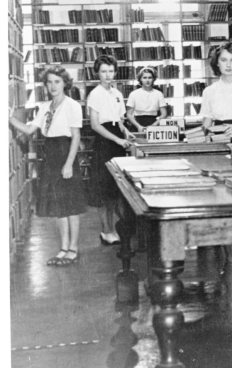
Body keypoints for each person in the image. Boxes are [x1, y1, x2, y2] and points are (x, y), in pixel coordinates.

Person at [9, 67, 87, 265]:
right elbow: (28, 130)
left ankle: (73, 249)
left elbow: (76, 137)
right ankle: (63, 248)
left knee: (71, 206)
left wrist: (69, 164)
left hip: (65, 153)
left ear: (65, 84)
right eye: (49, 82)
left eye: (57, 82)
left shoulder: (72, 106)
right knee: (58, 206)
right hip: (50, 156)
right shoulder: (44, 107)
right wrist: (8, 118)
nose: (53, 86)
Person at [87, 55, 135, 246]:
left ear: (115, 72)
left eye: (110, 71)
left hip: (117, 138)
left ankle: (114, 228)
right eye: (103, 71)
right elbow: (95, 125)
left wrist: (127, 133)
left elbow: (120, 120)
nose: (108, 75)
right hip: (104, 142)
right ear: (97, 73)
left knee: (116, 191)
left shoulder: (116, 93)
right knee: (104, 190)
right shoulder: (95, 94)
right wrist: (117, 139)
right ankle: (106, 230)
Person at [125, 66, 167, 131]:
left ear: (153, 79)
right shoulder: (133, 94)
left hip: (154, 123)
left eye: (150, 78)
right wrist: (138, 126)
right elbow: (129, 114)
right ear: (140, 79)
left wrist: (154, 126)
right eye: (144, 78)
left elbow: (164, 114)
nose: (147, 80)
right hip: (137, 124)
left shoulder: (159, 94)